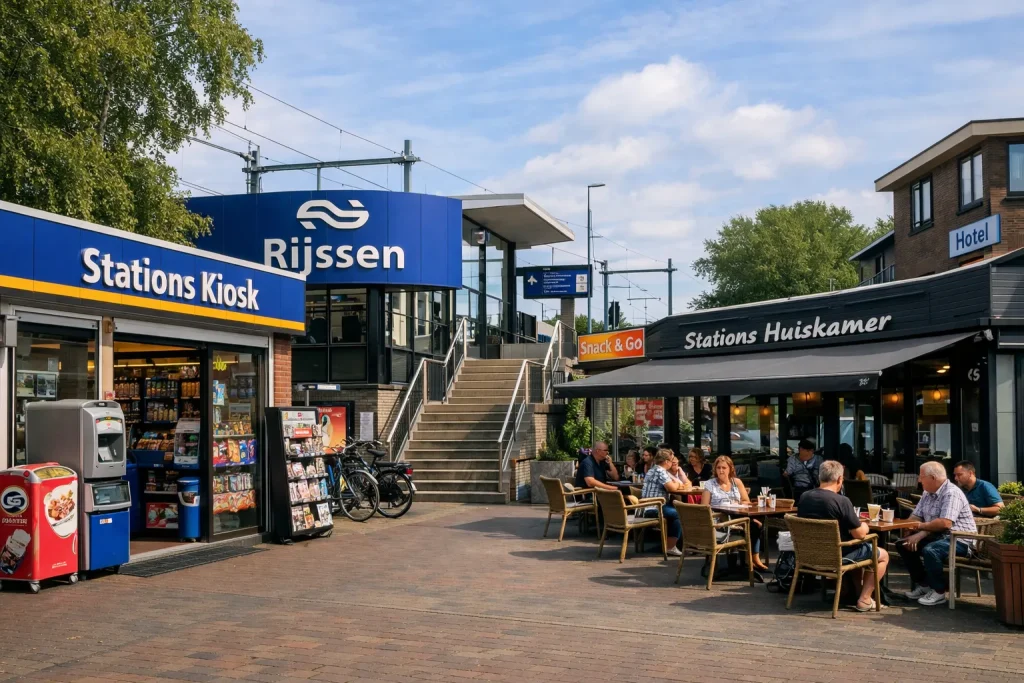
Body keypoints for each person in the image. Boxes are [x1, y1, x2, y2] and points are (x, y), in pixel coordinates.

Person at [797, 460, 890, 612]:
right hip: (837, 555)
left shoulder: (804, 497)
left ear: (819, 477)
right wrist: (865, 525)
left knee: (856, 548)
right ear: (840, 479)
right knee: (883, 555)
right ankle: (865, 599)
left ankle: (851, 592)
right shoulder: (842, 501)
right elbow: (859, 534)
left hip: (809, 555)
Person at [897, 462, 977, 606]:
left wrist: (919, 529)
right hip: (937, 536)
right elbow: (916, 516)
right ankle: (924, 585)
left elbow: (945, 523)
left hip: (960, 540)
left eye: (921, 477)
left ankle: (939, 591)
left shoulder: (951, 493)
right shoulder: (927, 492)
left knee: (931, 550)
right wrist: (908, 526)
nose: (919, 481)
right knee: (903, 544)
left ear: (933, 477)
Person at [701, 455, 767, 571]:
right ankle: (748, 560)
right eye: (718, 468)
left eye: (724, 468)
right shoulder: (710, 484)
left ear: (730, 469)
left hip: (737, 516)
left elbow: (746, 501)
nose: (721, 470)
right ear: (715, 469)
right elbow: (704, 507)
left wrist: (737, 504)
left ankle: (753, 558)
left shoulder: (736, 482)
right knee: (752, 525)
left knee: (756, 524)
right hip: (719, 521)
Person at [640, 449, 691, 556]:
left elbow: (675, 484)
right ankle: (671, 547)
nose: (672, 463)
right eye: (671, 460)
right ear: (667, 461)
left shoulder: (653, 469)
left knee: (677, 512)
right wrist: (677, 484)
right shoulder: (660, 471)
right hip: (653, 508)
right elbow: (671, 487)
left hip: (650, 506)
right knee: (679, 514)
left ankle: (676, 544)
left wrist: (676, 484)